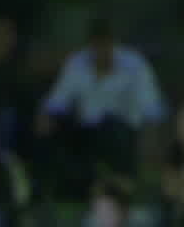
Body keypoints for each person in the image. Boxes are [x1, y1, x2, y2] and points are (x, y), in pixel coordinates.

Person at [35, 17, 165, 195]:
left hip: (122, 131)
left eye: (106, 45)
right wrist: (46, 115)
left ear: (113, 43)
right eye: (96, 46)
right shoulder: (77, 63)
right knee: (53, 130)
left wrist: (151, 132)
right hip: (86, 131)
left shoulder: (135, 65)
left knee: (113, 128)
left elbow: (152, 105)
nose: (101, 52)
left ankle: (123, 186)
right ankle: (66, 189)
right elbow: (59, 99)